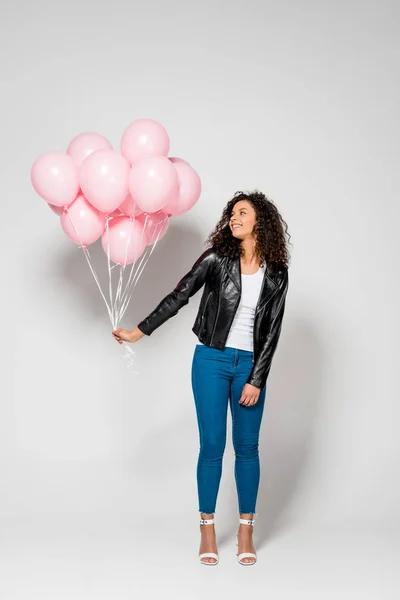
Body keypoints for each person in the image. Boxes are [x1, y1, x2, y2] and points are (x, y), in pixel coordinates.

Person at [112, 190, 291, 566]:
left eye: (243, 212)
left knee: (247, 448)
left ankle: (246, 529)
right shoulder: (216, 259)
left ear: (262, 222)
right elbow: (179, 295)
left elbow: (272, 331)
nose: (234, 218)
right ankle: (207, 528)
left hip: (250, 366)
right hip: (210, 359)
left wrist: (256, 379)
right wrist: (139, 332)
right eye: (232, 213)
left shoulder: (277, 272)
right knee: (211, 446)